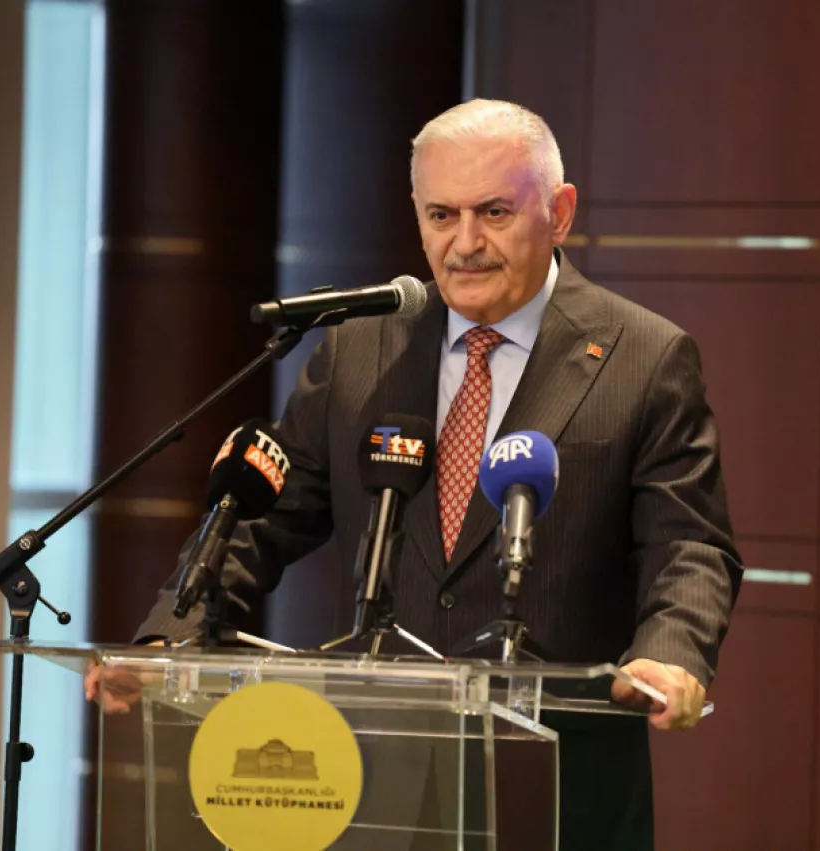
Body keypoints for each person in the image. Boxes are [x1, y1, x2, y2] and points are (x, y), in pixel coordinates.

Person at [86, 98, 743, 850]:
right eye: (441, 215)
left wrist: (669, 653)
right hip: (375, 781)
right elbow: (263, 515)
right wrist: (168, 637)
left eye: (494, 212)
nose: (465, 243)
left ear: (559, 213)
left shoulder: (643, 356)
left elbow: (690, 545)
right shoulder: (361, 348)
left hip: (559, 784)